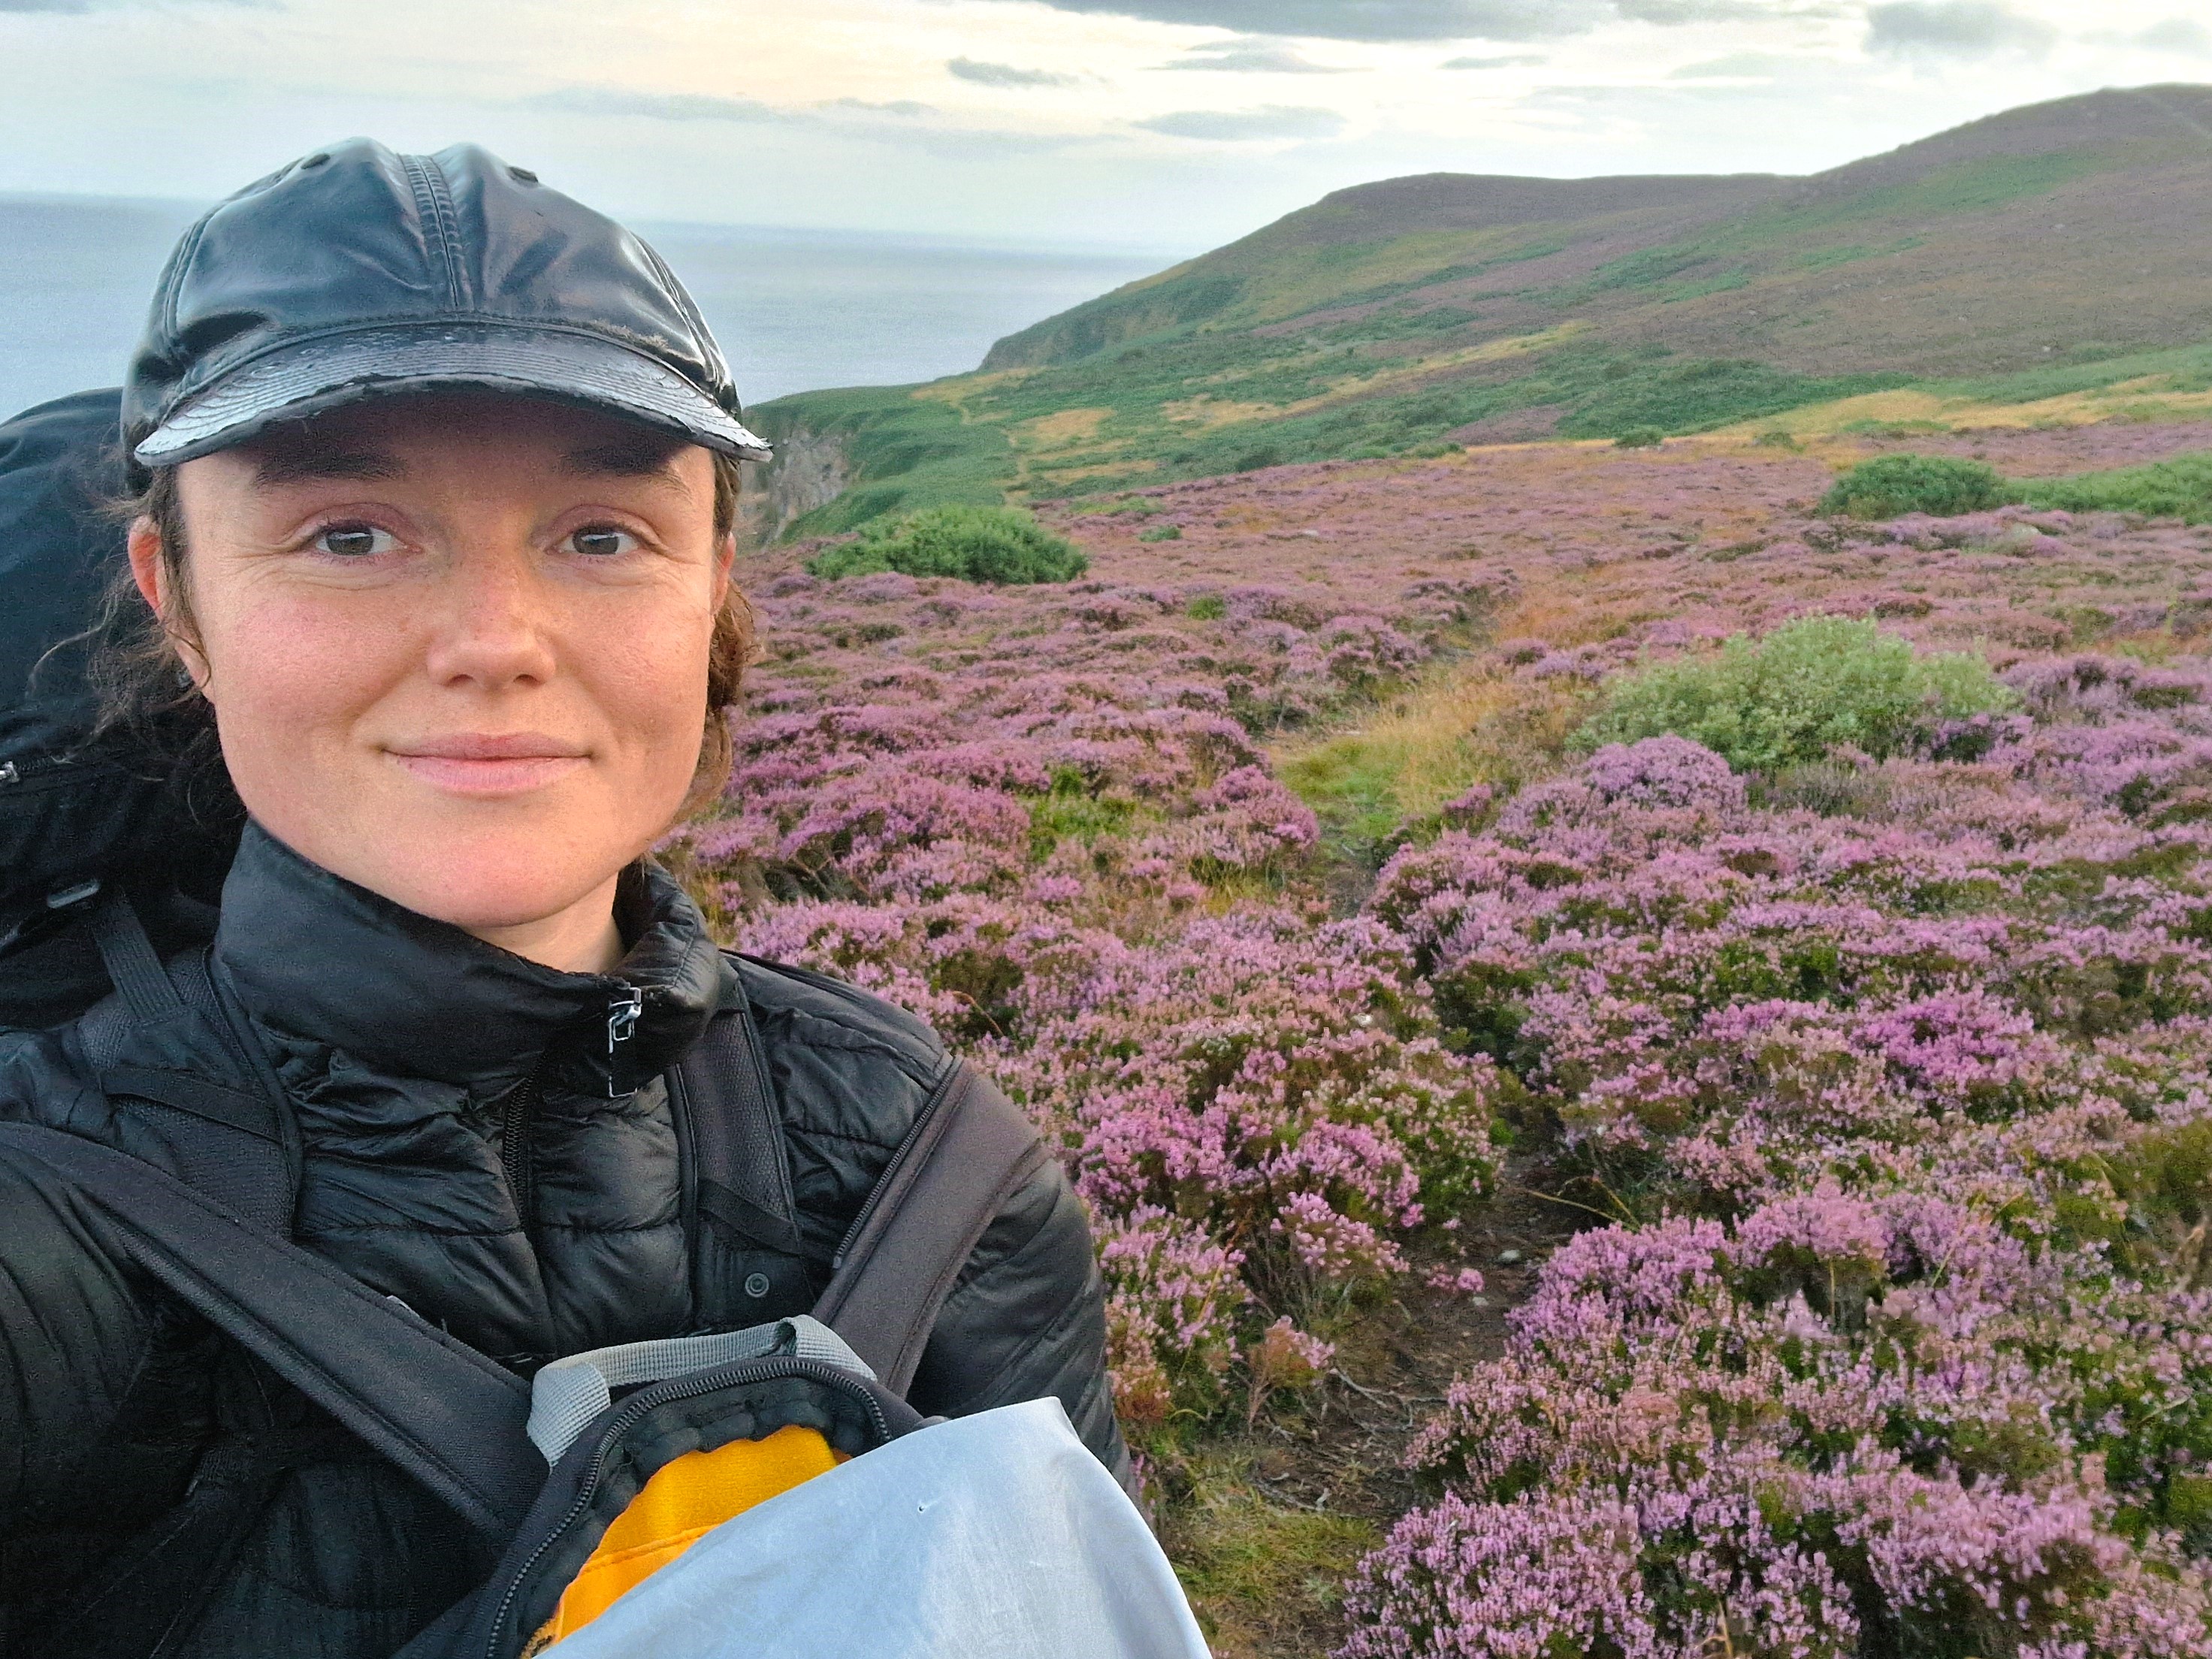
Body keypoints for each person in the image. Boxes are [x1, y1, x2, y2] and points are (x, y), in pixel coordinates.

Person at [0, 139, 1126, 1659]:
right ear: (179, 602)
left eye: (601, 537)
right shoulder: (43, 1219)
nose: (496, 640)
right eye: (350, 535)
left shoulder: (932, 1166)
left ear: (713, 584)